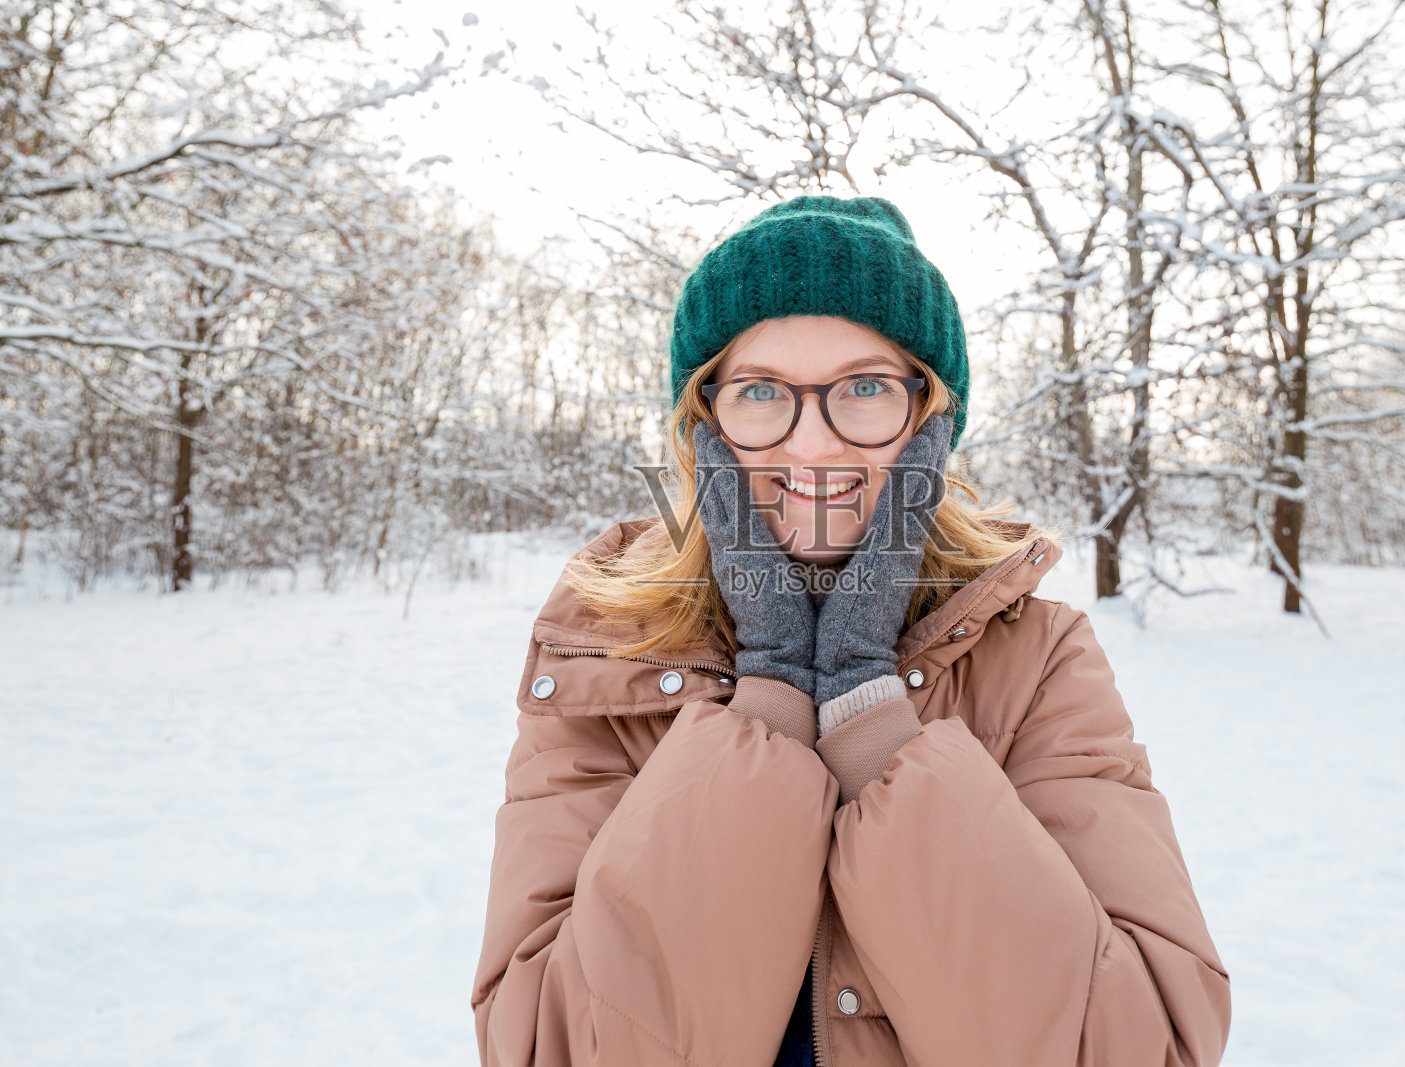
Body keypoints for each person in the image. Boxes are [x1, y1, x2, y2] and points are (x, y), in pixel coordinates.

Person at [470, 196, 1230, 1066]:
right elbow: (550, 1047)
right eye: (762, 393)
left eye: (864, 389)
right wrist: (770, 705)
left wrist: (874, 721)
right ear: (704, 425)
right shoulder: (605, 650)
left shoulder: (1038, 654)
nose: (813, 445)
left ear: (931, 421)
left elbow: (1141, 1046)